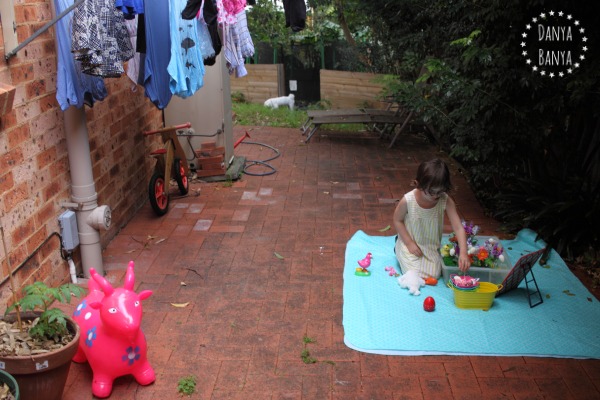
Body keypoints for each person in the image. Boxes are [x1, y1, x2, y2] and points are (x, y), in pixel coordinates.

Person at [393, 158, 470, 279]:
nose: (435, 196)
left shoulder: (445, 200)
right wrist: (409, 243)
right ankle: (398, 246)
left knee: (434, 275)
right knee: (412, 273)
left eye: (439, 192)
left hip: (430, 245)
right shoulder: (408, 200)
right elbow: (397, 220)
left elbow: (458, 227)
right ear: (418, 184)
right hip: (410, 240)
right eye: (431, 191)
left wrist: (463, 253)